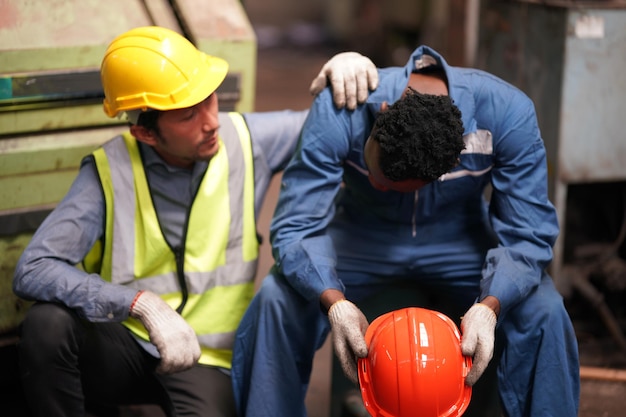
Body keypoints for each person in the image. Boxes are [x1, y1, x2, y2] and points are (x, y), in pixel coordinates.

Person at [12, 26, 366, 417]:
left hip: (207, 359)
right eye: (187, 115)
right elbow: (33, 268)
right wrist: (139, 304)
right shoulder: (108, 171)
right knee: (46, 326)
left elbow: (331, 128)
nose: (211, 121)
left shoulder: (247, 141)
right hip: (126, 344)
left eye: (209, 99)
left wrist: (349, 75)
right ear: (145, 133)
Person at [232, 45, 581, 417]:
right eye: (375, 176)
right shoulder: (342, 107)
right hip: (361, 238)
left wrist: (490, 307)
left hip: (458, 242)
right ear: (382, 115)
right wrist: (334, 304)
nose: (378, 186)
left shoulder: (507, 113)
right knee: (275, 299)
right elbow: (297, 224)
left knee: (545, 311)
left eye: (394, 185)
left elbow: (528, 233)